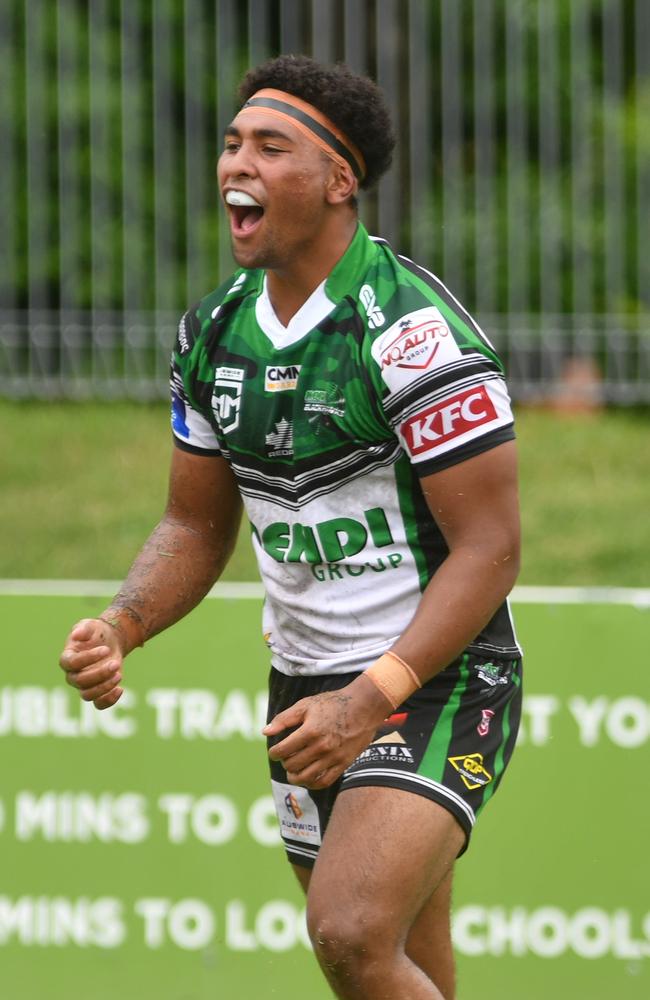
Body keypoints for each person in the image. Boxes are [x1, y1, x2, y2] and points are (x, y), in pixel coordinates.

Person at [59, 55, 522, 1000]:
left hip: (432, 677)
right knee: (395, 969)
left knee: (349, 931)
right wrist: (121, 626)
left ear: (338, 180)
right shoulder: (212, 334)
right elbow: (193, 524)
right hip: (302, 693)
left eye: (272, 147)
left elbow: (491, 548)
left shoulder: (410, 332)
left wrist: (371, 699)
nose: (239, 164)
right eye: (233, 144)